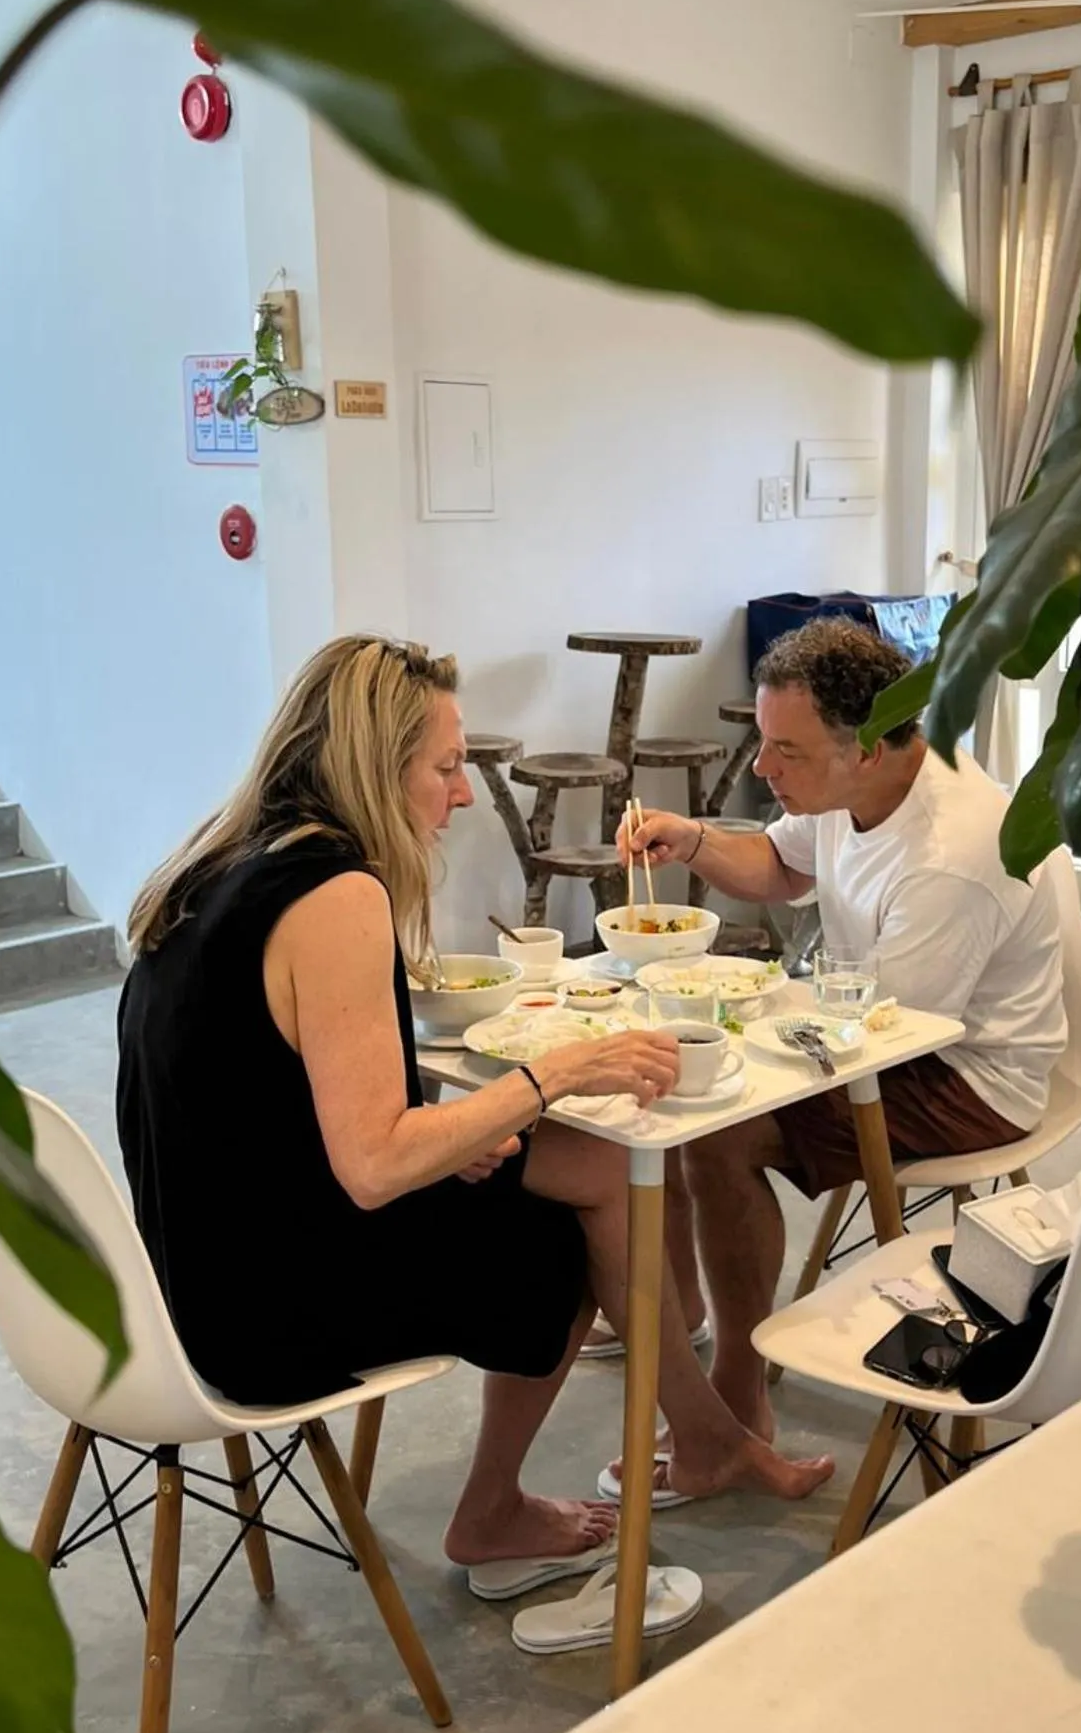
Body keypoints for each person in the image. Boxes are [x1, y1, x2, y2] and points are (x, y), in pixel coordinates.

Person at [117, 634, 833, 1581]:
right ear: (376, 769)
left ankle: (703, 1433)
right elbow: (372, 1164)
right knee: (557, 1237)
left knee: (603, 1169)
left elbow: (277, 1096)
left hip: (185, 1259)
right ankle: (497, 1507)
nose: (461, 792)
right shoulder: (335, 895)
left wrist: (454, 1136)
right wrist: (555, 1075)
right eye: (445, 767)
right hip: (260, 1310)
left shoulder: (227, 857)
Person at [623, 617, 1067, 1441]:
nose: (761, 766)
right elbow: (783, 867)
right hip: (886, 1026)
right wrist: (693, 841)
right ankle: (683, 1315)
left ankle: (734, 1395)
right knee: (674, 1093)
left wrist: (744, 1017)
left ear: (865, 747)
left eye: (782, 751)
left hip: (968, 1072)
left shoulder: (950, 852)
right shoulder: (845, 787)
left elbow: (881, 1036)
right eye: (765, 741)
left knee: (717, 1135)